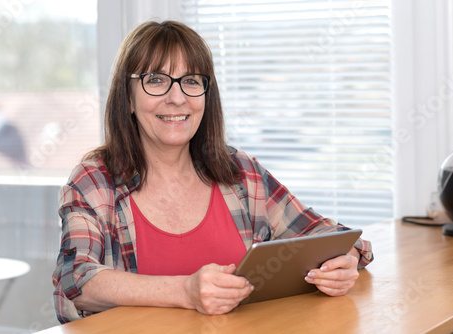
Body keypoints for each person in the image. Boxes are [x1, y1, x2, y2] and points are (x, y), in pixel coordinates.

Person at [52, 20, 373, 324]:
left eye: (191, 81)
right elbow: (77, 279)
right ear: (129, 98)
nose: (177, 98)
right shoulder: (94, 182)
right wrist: (185, 291)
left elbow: (330, 236)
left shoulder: (242, 173)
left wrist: (344, 261)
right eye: (156, 80)